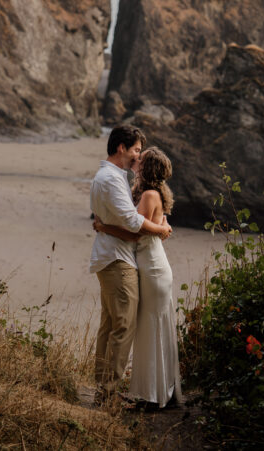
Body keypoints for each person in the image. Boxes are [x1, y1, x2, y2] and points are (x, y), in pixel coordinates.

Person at [95, 146, 183, 409]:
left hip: (152, 268)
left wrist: (103, 226)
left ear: (147, 168)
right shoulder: (155, 194)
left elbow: (134, 234)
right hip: (152, 265)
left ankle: (152, 398)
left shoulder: (148, 195)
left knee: (149, 330)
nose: (136, 159)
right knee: (155, 328)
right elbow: (151, 225)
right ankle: (161, 393)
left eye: (141, 159)